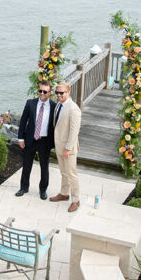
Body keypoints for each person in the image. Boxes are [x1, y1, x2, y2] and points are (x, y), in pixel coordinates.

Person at [16, 81, 55, 199]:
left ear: (50, 93)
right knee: (26, 164)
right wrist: (20, 138)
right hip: (30, 139)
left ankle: (43, 190)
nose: (42, 93)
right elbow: (23, 121)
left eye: (44, 91)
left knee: (44, 166)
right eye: (40, 91)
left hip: (45, 141)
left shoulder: (54, 106)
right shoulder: (30, 104)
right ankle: (24, 187)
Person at [49, 81, 82, 212]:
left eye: (61, 93)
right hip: (59, 145)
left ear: (68, 92)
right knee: (63, 172)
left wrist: (68, 148)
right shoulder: (58, 105)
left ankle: (76, 200)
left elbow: (74, 131)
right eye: (57, 93)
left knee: (71, 174)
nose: (58, 95)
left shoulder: (74, 109)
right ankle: (64, 193)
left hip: (68, 148)